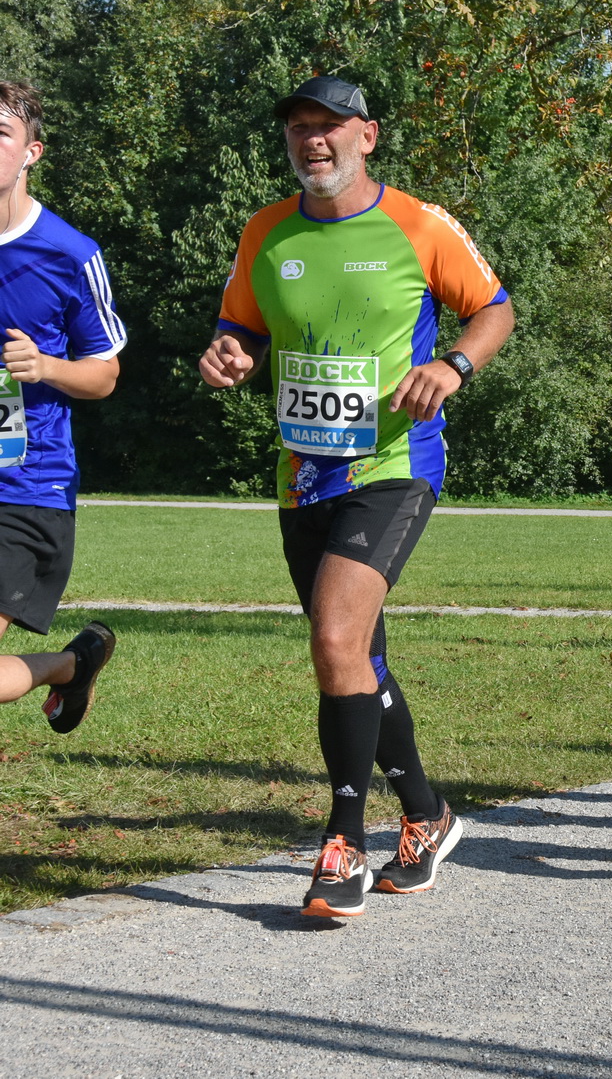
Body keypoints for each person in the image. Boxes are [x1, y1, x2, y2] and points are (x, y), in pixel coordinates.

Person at [200, 76, 516, 917]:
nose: (313, 142)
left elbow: (494, 307)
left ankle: (344, 840)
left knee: (334, 635)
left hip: (392, 465)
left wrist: (454, 365)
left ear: (366, 136)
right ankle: (428, 813)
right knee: (355, 659)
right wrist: (229, 355)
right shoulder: (264, 232)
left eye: (329, 128)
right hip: (303, 476)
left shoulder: (419, 223)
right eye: (300, 129)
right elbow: (243, 330)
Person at [0, 80, 123, 732]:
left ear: (30, 152)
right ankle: (75, 664)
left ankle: (61, 666)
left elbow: (106, 374)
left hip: (26, 484)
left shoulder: (70, 255)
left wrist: (45, 367)